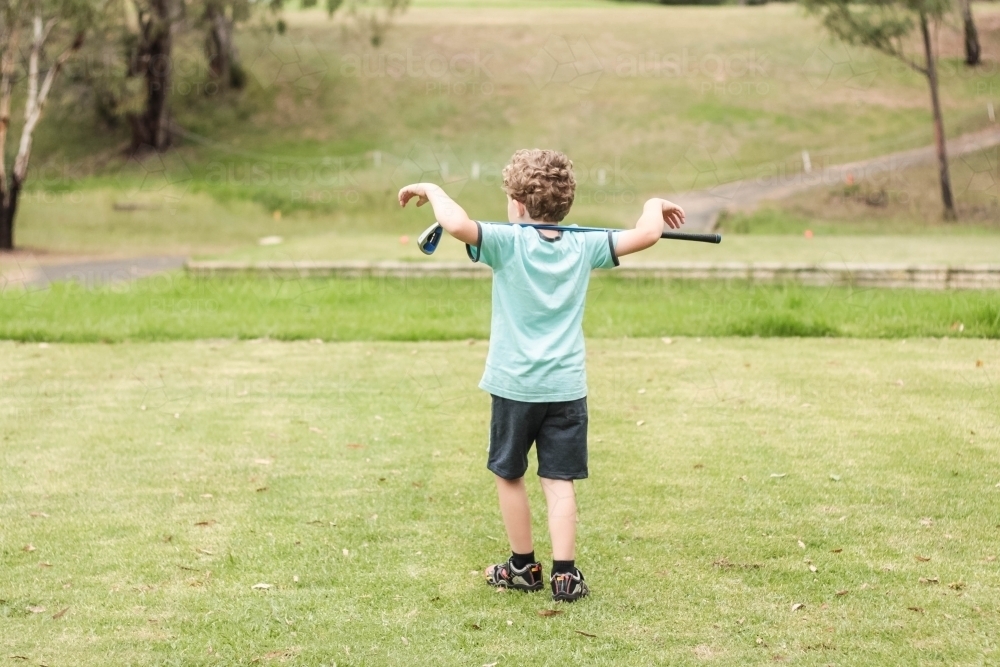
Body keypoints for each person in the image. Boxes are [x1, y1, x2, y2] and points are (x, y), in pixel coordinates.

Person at [398, 148, 685, 601]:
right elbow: (649, 234)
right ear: (567, 203)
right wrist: (654, 203)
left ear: (516, 203)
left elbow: (455, 225)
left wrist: (432, 188)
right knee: (558, 481)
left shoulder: (505, 241)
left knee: (509, 474)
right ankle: (566, 575)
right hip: (566, 388)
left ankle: (521, 567)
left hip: (515, 387)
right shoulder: (585, 243)